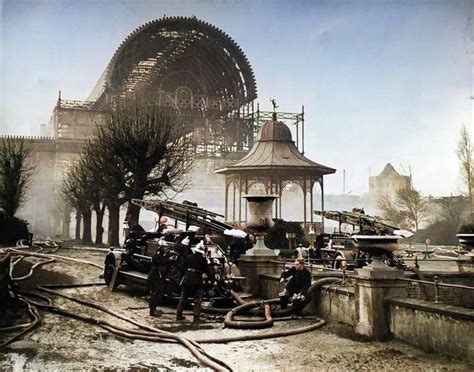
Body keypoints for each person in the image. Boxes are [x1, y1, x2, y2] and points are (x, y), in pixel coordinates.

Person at [176, 241, 213, 323]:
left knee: (183, 297)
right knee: (198, 299)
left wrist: (181, 278)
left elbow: (182, 269)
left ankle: (178, 315)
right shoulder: (203, 260)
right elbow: (208, 271)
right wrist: (212, 280)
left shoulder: (188, 257)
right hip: (197, 281)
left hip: (187, 279)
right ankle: (196, 317)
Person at [148, 238, 173, 316]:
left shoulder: (159, 255)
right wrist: (170, 260)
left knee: (156, 293)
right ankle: (152, 310)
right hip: (156, 276)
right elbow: (162, 262)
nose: (165, 249)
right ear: (161, 247)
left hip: (156, 276)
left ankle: (153, 309)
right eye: (164, 247)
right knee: (156, 293)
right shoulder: (158, 256)